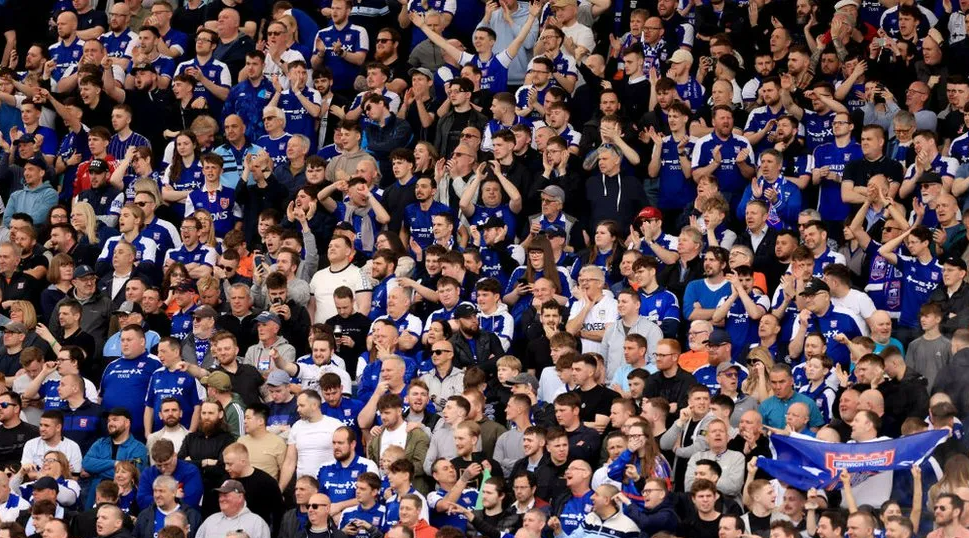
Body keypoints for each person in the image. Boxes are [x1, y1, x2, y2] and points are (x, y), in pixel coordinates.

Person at [194, 480, 270, 538]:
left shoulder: (256, 523)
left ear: (240, 497)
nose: (221, 499)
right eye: (220, 496)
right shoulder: (210, 520)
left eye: (225, 495)